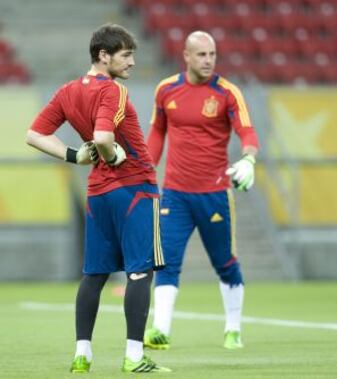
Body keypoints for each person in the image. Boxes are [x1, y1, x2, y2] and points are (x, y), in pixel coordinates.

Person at [26, 23, 171, 374]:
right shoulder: (114, 91)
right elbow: (105, 136)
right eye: (125, 55)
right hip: (135, 188)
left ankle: (82, 354)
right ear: (103, 56)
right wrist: (112, 155)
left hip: (98, 194)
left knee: (94, 275)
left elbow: (34, 135)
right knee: (140, 273)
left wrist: (76, 155)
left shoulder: (68, 91)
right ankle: (134, 357)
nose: (132, 62)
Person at [144, 31, 259, 350]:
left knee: (225, 263)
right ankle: (160, 330)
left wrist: (249, 158)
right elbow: (157, 132)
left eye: (212, 54)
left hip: (215, 194)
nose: (208, 60)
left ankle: (233, 329)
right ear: (186, 56)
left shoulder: (227, 92)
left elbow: (247, 131)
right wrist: (145, 170)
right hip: (175, 194)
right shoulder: (166, 89)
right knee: (165, 262)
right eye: (202, 55)